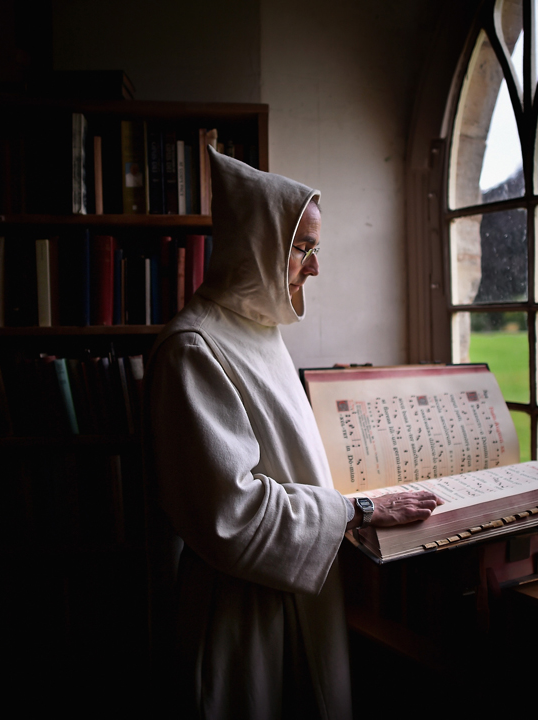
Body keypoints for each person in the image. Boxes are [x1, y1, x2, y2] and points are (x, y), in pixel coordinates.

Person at [145, 149, 440, 719]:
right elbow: (232, 515)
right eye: (302, 248)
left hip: (293, 589)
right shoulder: (193, 349)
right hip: (243, 614)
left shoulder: (257, 331)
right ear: (258, 244)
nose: (314, 266)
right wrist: (359, 508)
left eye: (314, 249)